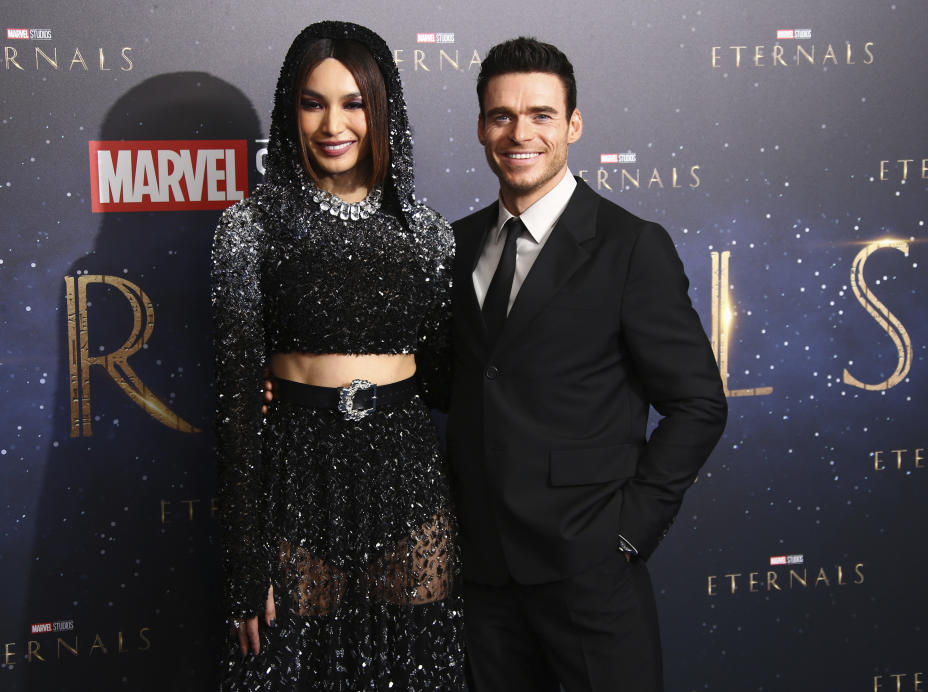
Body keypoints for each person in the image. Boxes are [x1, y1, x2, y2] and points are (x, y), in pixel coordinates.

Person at [446, 37, 728, 692]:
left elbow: (698, 404)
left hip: (590, 576)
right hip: (483, 580)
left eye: (541, 115)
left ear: (573, 125)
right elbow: (445, 383)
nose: (521, 133)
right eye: (502, 116)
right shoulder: (454, 246)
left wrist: (628, 531)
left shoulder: (631, 246)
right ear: (482, 127)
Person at [210, 21, 463, 690]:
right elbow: (235, 410)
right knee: (294, 668)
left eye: (354, 102)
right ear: (288, 111)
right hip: (297, 477)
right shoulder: (249, 227)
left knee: (411, 668)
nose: (332, 124)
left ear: (383, 110)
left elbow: (443, 377)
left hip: (406, 478)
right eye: (312, 102)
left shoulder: (427, 232)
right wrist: (244, 564)